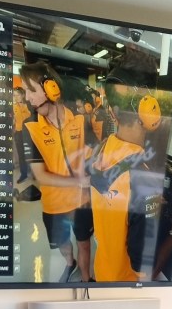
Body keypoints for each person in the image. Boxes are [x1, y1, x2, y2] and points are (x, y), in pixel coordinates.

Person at [89, 50, 162, 282]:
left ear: (111, 112)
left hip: (102, 273)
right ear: (151, 107)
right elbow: (142, 265)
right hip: (126, 288)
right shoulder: (143, 180)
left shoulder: (100, 150)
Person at [20, 61, 93, 283]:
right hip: (53, 204)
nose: (27, 98)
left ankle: (86, 279)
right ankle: (70, 263)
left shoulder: (80, 119)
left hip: (82, 202)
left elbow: (92, 155)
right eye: (25, 92)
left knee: (84, 243)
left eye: (30, 90)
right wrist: (78, 181)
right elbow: (40, 175)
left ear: (51, 88)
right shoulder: (30, 126)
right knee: (62, 244)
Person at [13, 86, 31, 183]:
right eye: (14, 95)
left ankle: (34, 172)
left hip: (29, 132)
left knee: (30, 153)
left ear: (23, 95)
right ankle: (23, 174)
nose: (16, 97)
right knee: (21, 155)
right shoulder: (13, 107)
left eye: (18, 95)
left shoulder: (29, 105)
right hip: (19, 132)